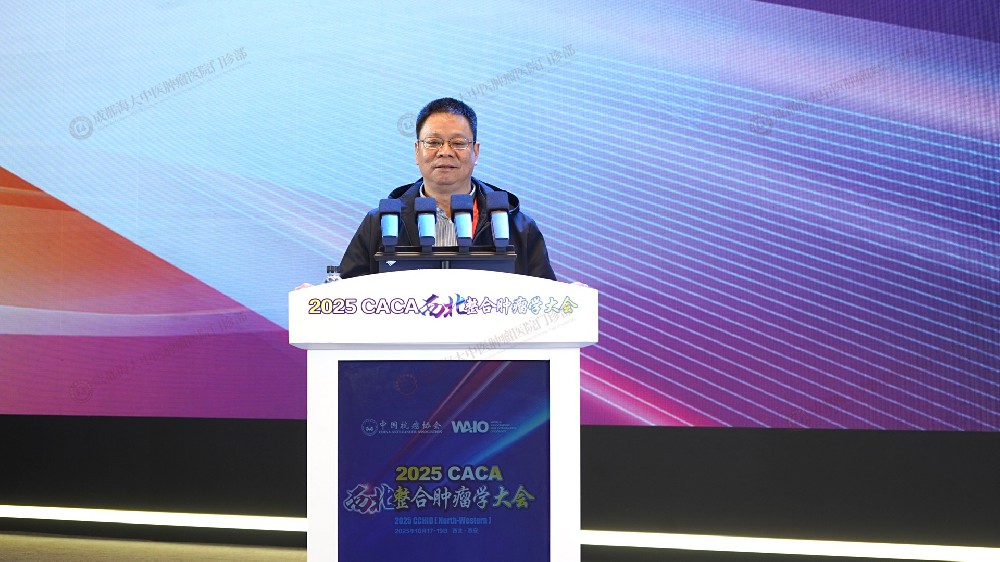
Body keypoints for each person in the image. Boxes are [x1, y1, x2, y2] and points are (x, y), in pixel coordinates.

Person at [338, 97, 557, 281]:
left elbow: (547, 302)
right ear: (417, 151)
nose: (445, 151)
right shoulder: (380, 223)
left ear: (476, 152)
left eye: (458, 143)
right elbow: (345, 298)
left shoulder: (516, 225)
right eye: (433, 142)